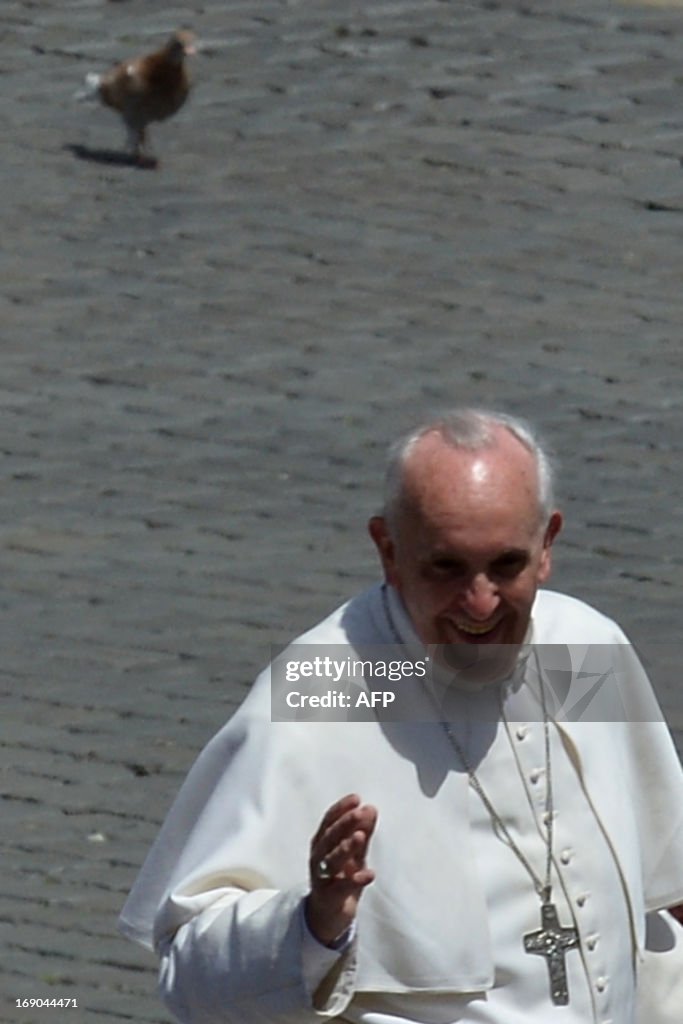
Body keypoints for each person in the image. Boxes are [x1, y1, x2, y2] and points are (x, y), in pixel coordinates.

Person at [119, 408, 683, 1024]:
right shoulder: (325, 690)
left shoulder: (582, 648)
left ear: (547, 545)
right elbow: (188, 971)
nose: (480, 603)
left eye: (506, 566)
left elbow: (669, 885)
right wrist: (315, 921)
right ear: (388, 549)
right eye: (446, 567)